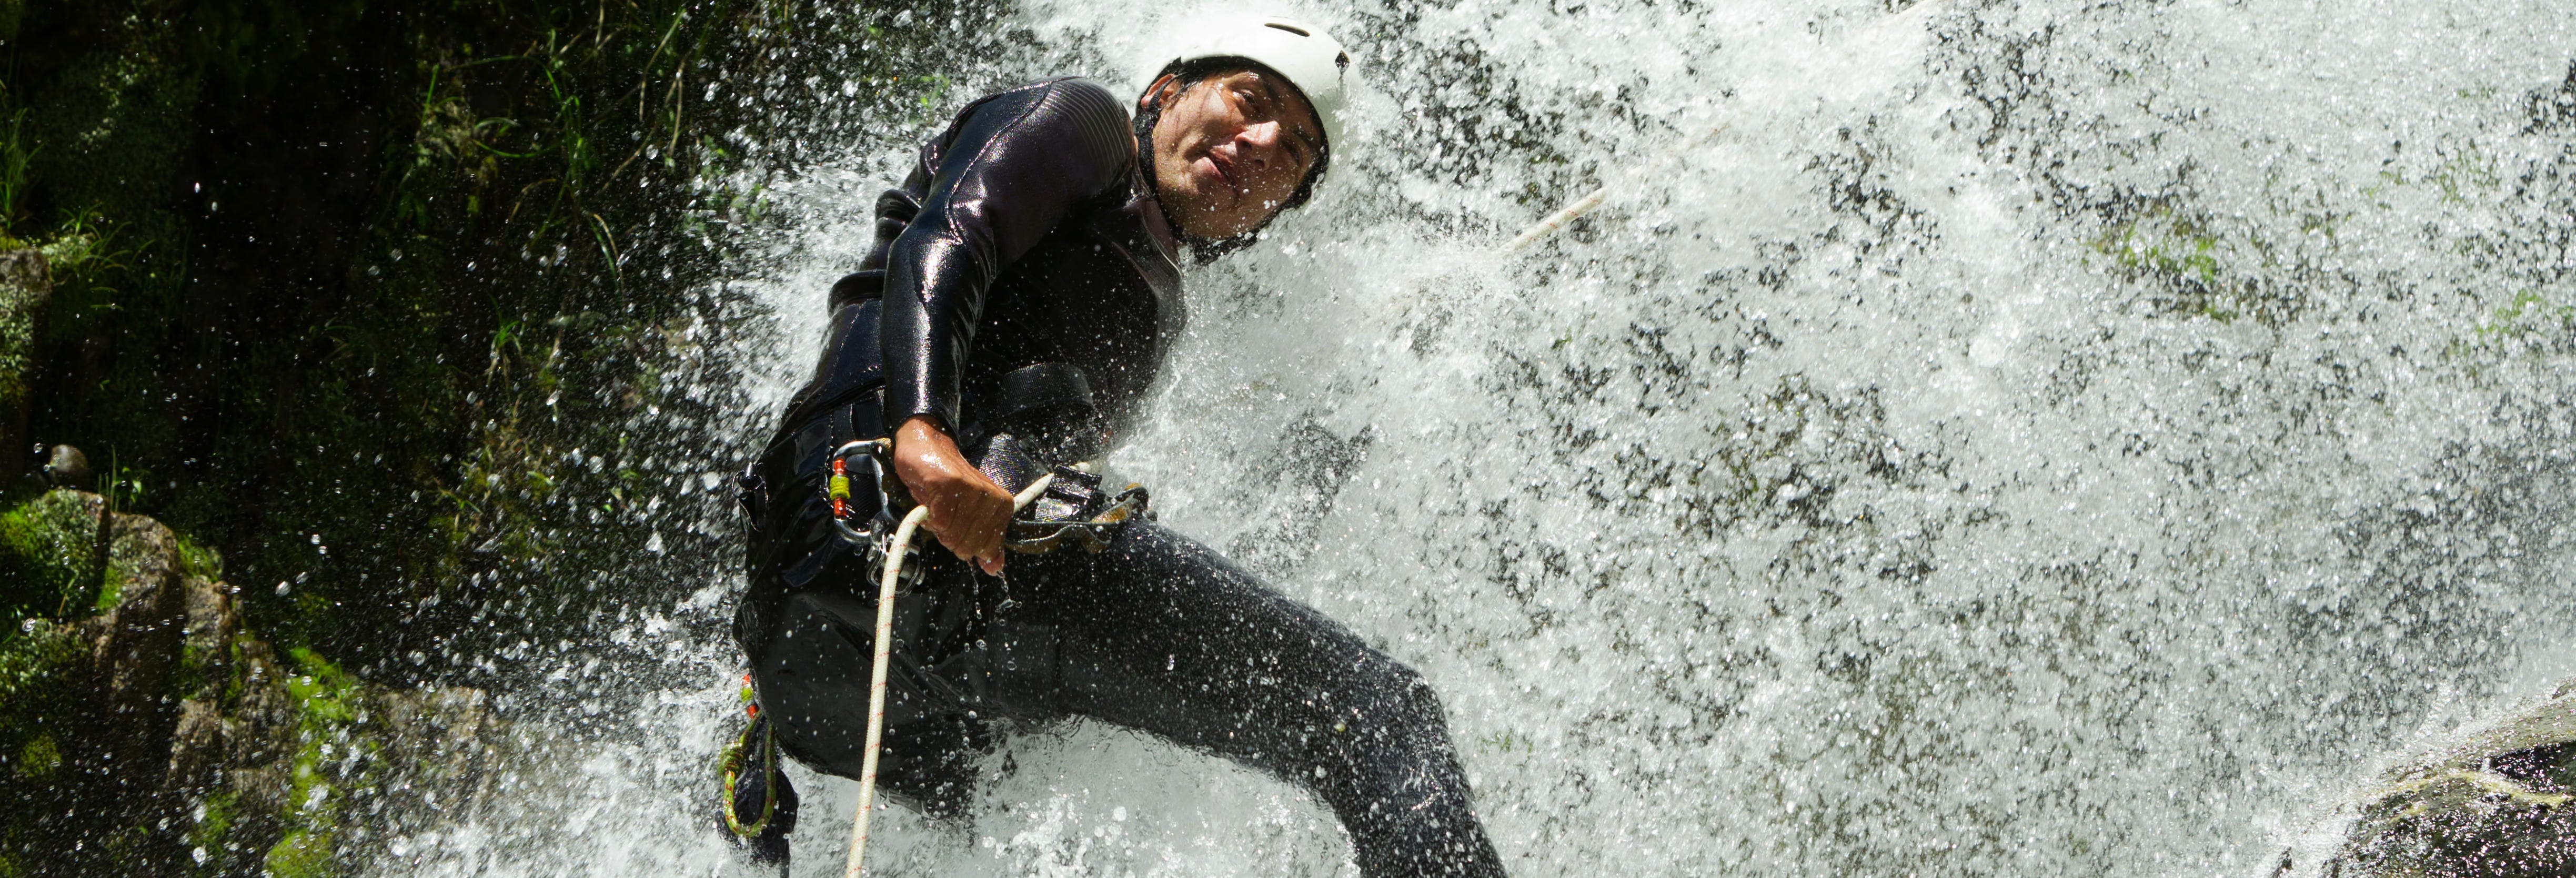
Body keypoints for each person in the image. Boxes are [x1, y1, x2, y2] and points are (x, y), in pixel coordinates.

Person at [719, 16, 1506, 877]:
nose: (1262, 144)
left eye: (1291, 157)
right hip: (882, 502)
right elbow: (948, 238)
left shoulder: (1162, 305)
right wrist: (923, 432)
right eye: (1252, 100)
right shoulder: (1084, 125)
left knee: (1022, 818)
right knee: (1378, 718)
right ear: (1166, 91)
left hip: (843, 650)